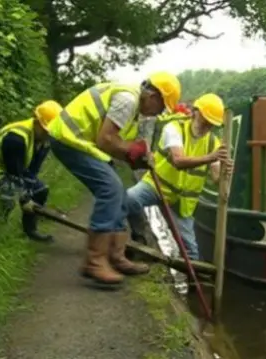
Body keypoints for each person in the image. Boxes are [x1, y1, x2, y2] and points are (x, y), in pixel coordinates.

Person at [46, 71, 181, 289]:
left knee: (119, 192)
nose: (159, 113)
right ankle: (95, 260)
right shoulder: (127, 100)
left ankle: (117, 256)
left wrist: (136, 158)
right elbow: (106, 139)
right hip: (69, 138)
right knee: (110, 189)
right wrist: (133, 150)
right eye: (162, 107)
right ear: (154, 96)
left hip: (83, 142)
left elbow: (117, 146)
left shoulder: (135, 108)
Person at [126, 93, 233, 262]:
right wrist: (211, 157)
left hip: (182, 202)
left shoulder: (214, 143)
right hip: (157, 186)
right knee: (129, 199)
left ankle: (192, 282)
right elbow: (178, 161)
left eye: (212, 123)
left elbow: (216, 179)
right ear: (196, 112)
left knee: (191, 251)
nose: (208, 126)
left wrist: (226, 172)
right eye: (206, 120)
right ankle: (140, 239)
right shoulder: (174, 128)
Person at [0, 100, 63, 242]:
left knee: (40, 190)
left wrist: (30, 193)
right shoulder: (16, 139)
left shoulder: (45, 141)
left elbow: (32, 172)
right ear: (37, 122)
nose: (48, 135)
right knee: (8, 195)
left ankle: (31, 231)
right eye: (45, 131)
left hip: (7, 166)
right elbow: (14, 175)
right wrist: (24, 199)